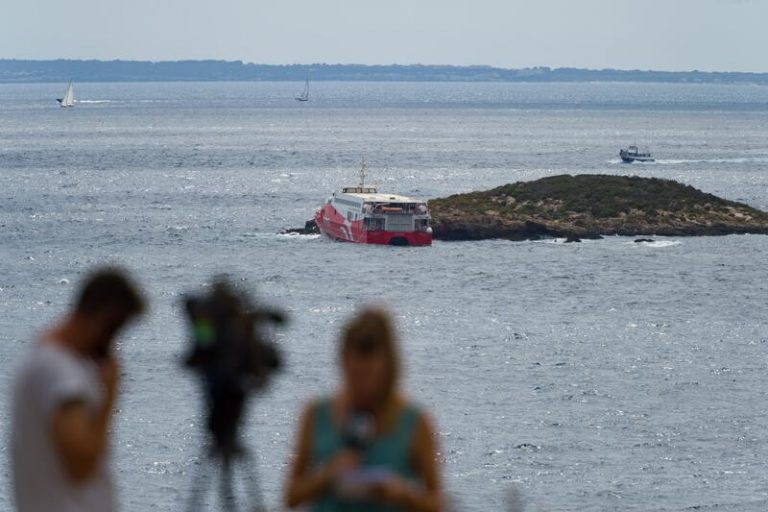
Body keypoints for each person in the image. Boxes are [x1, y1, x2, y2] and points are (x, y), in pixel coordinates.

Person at [11, 268, 145, 512]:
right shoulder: (62, 375)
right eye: (114, 330)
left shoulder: (39, 357)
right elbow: (80, 465)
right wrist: (110, 395)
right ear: (102, 318)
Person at [285, 307, 443, 512]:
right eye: (353, 375)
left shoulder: (415, 423)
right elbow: (291, 496)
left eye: (369, 375)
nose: (361, 385)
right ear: (343, 362)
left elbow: (437, 503)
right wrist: (327, 475)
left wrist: (403, 492)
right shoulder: (316, 415)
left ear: (388, 369)